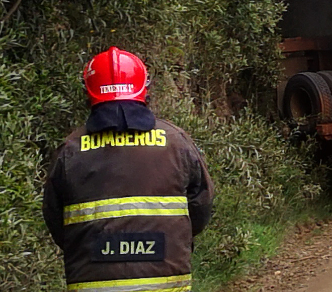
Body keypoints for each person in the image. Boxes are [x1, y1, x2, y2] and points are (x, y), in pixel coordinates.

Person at [42, 47, 214, 292]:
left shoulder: (70, 150)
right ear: (145, 88)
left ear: (88, 92)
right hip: (165, 281)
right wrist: (173, 240)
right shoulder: (176, 142)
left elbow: (55, 218)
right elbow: (201, 206)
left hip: (93, 283)